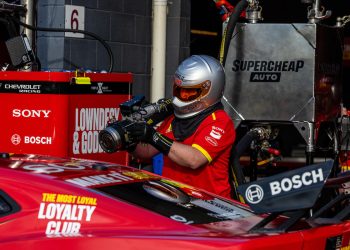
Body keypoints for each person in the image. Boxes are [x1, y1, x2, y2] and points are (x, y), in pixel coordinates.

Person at [127, 55, 236, 199]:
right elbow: (146, 151)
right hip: (175, 200)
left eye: (189, 92)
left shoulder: (220, 122)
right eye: (179, 90)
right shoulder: (173, 118)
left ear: (210, 90)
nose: (182, 96)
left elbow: (194, 159)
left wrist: (153, 136)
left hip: (210, 205)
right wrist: (128, 138)